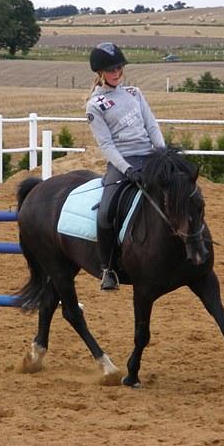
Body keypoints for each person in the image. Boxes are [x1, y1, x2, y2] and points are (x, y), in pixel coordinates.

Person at [86, 42, 165, 290]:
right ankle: (108, 268)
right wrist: (127, 169)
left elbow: (152, 126)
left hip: (150, 157)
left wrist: (162, 153)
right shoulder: (95, 105)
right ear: (100, 73)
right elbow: (106, 145)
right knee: (106, 211)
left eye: (119, 67)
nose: (117, 73)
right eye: (111, 69)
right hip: (122, 163)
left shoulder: (134, 93)